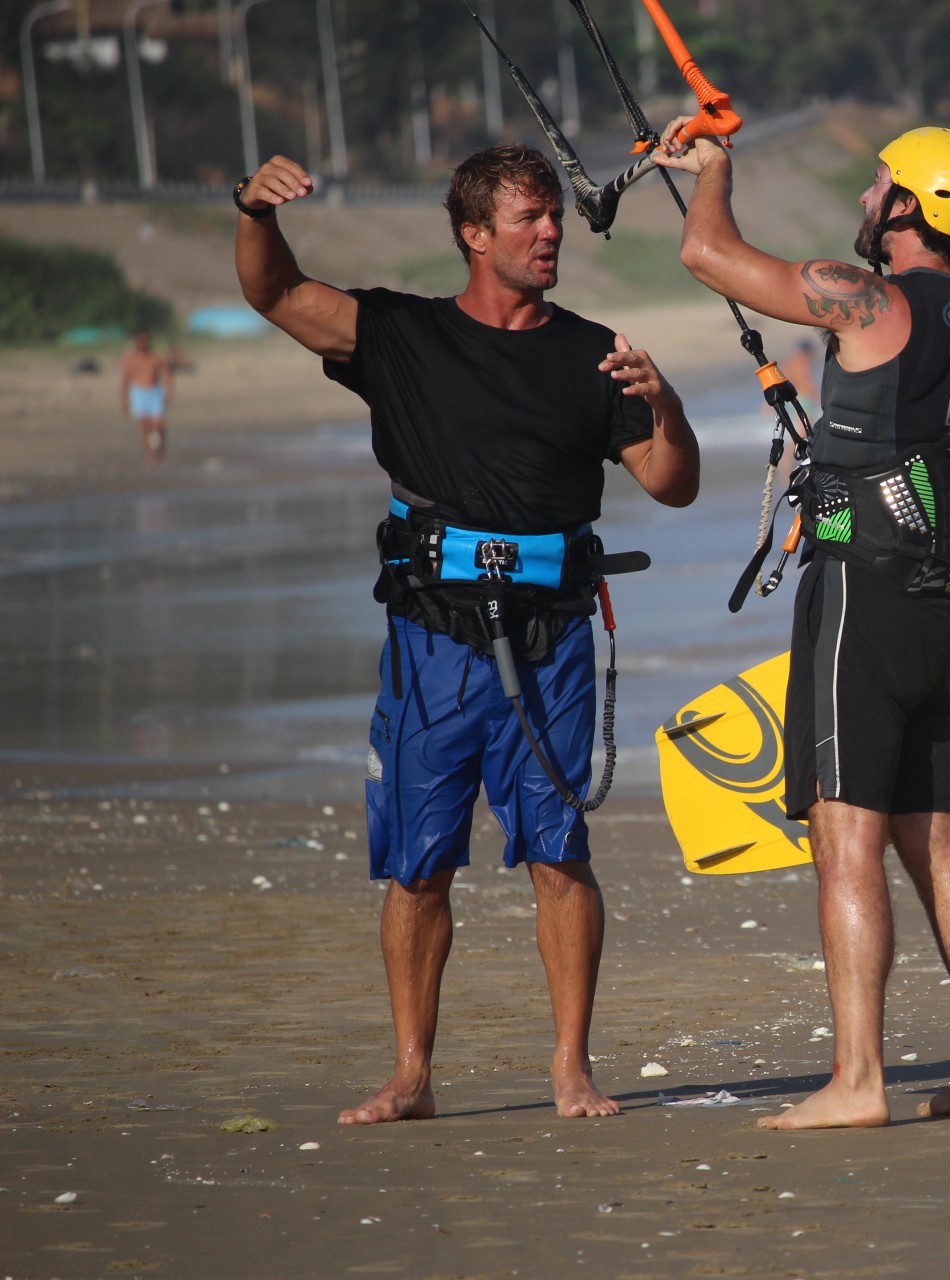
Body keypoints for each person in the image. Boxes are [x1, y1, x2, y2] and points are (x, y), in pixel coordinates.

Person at [234, 144, 699, 1124]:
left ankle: (571, 1068)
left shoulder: (592, 350)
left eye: (554, 221)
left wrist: (666, 403)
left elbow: (671, 480)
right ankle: (411, 1072)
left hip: (554, 638)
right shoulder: (399, 333)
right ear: (473, 233)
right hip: (432, 638)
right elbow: (273, 292)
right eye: (529, 219)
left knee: (560, 849)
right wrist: (254, 210)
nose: (550, 234)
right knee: (418, 861)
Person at [654, 120, 950, 1129]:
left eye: (881, 183)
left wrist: (716, 173)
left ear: (912, 204)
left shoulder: (866, 293)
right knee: (940, 840)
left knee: (846, 839)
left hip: (860, 599)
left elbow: (707, 254)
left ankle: (859, 1079)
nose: (869, 195)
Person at [120, 331, 172, 463]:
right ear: (137, 342)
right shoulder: (131, 360)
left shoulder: (155, 357)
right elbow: (125, 380)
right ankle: (148, 453)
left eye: (146, 340)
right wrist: (124, 400)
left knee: (159, 424)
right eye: (141, 341)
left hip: (154, 391)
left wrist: (168, 391)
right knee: (144, 424)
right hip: (138, 393)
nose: (144, 343)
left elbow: (166, 373)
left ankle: (161, 450)